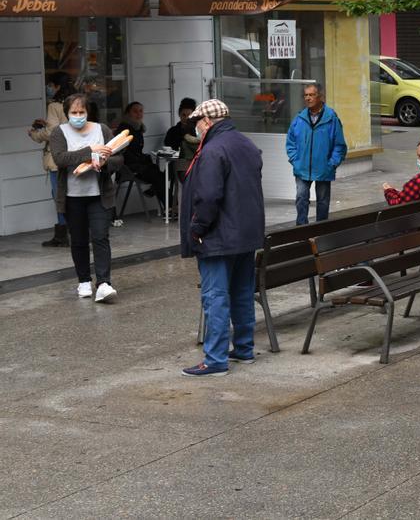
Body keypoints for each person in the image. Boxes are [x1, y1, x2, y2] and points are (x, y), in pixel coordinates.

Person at [178, 99, 265, 377]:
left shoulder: (213, 151)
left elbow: (208, 197)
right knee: (241, 292)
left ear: (207, 122)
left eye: (198, 123)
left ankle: (215, 359)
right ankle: (244, 349)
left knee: (215, 296)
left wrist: (197, 229)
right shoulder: (245, 144)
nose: (197, 128)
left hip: (219, 236)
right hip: (246, 233)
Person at [50, 94, 123, 303]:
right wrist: (90, 151)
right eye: (74, 113)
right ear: (67, 114)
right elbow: (60, 158)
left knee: (100, 237)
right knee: (79, 239)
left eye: (82, 112)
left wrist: (105, 162)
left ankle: (103, 283)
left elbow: (118, 157)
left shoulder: (102, 129)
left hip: (98, 194)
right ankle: (83, 280)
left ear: (87, 112)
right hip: (72, 197)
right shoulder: (59, 132)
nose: (79, 116)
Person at [286, 83, 347, 225]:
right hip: (302, 167)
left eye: (311, 95)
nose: (308, 98)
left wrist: (331, 163)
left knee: (323, 202)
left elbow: (339, 145)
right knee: (301, 198)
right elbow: (290, 142)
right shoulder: (299, 118)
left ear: (320, 97)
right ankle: (302, 229)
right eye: (306, 95)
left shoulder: (331, 118)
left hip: (323, 168)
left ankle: (321, 229)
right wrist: (295, 159)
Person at [28, 72, 70, 247]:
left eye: (50, 85)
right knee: (74, 194)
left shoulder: (55, 106)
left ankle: (62, 235)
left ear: (57, 86)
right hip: (75, 155)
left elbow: (53, 132)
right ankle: (80, 231)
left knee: (59, 196)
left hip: (57, 158)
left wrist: (35, 133)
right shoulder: (77, 102)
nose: (49, 89)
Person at [117, 101, 167, 205]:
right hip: (127, 166)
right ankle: (170, 206)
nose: (139, 114)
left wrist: (144, 157)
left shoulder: (137, 128)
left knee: (161, 173)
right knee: (158, 175)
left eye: (141, 111)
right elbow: (123, 152)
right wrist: (140, 159)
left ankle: (164, 201)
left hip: (138, 163)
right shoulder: (124, 129)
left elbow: (137, 151)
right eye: (135, 111)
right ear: (128, 114)